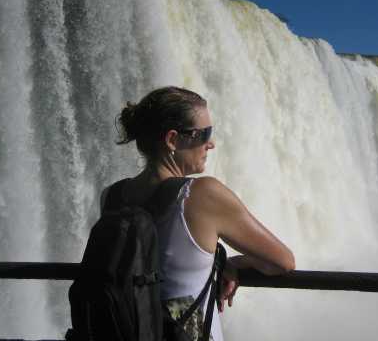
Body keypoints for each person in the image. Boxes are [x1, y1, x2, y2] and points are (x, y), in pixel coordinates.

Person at [103, 86, 295, 341]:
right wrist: (235, 263)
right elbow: (283, 261)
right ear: (172, 140)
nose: (211, 143)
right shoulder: (203, 193)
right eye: (204, 134)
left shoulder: (112, 196)